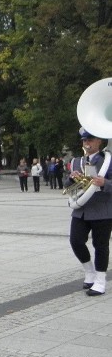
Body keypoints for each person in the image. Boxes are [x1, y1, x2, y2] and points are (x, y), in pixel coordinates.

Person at [66, 127, 112, 296]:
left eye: (90, 140)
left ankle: (100, 281)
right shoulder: (76, 161)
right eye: (84, 140)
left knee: (100, 245)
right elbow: (68, 186)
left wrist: (104, 183)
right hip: (81, 210)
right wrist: (71, 179)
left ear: (99, 141)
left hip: (102, 209)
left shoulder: (108, 160)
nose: (86, 143)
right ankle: (89, 271)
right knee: (75, 241)